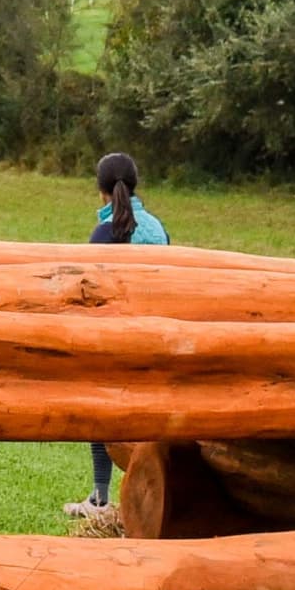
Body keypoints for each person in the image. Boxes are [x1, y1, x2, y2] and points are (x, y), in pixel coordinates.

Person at [81, 152, 167, 509]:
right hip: (157, 337)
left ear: (101, 190)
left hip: (113, 339)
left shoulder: (105, 232)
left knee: (100, 415)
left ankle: (101, 498)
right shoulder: (157, 229)